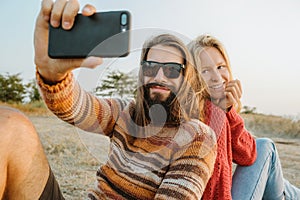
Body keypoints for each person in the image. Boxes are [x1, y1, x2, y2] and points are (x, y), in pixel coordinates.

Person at [0, 0, 218, 199]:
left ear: (185, 77)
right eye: (150, 67)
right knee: (10, 125)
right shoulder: (124, 112)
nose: (159, 77)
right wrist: (53, 75)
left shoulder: (196, 137)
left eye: (171, 70)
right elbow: (77, 107)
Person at [188, 34, 300, 200]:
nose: (217, 77)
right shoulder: (204, 113)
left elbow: (246, 154)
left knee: (265, 150)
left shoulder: (213, 107)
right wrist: (222, 112)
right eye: (205, 71)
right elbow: (248, 155)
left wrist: (228, 110)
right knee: (266, 148)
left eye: (220, 67)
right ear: (193, 76)